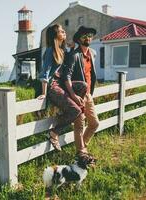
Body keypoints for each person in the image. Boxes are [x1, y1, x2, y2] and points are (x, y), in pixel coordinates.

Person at [38, 24, 87, 152]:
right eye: (61, 31)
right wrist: (44, 93)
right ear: (55, 35)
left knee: (83, 85)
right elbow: (45, 73)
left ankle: (67, 113)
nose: (64, 32)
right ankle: (54, 133)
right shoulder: (50, 50)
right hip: (53, 87)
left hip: (61, 85)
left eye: (64, 30)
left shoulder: (62, 50)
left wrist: (70, 49)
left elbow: (66, 67)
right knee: (76, 111)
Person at [65, 26, 100, 164]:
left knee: (94, 123)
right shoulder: (74, 55)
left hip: (88, 96)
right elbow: (66, 77)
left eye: (90, 35)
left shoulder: (92, 54)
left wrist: (90, 94)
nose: (88, 38)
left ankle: (81, 149)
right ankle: (81, 154)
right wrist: (73, 95)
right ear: (79, 39)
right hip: (77, 95)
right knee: (79, 125)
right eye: (85, 36)